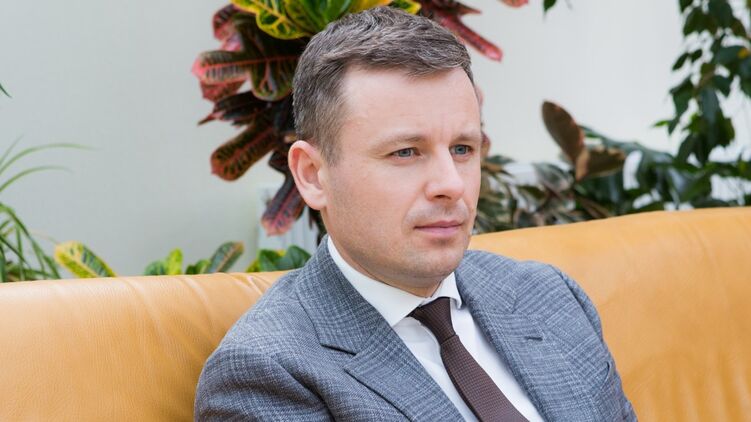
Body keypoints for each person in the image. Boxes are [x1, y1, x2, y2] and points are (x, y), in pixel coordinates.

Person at [195, 6, 636, 421]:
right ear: (312, 175)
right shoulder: (268, 372)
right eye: (405, 152)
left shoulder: (551, 297)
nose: (451, 184)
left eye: (462, 149)